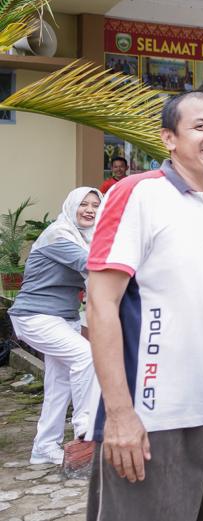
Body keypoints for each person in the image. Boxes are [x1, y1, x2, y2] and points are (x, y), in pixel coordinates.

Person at [84, 91, 203, 521]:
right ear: (169, 138)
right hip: (154, 417)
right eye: (201, 127)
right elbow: (101, 304)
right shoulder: (137, 194)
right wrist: (121, 416)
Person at [8, 187, 101, 465]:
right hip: (36, 317)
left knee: (59, 385)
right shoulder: (59, 235)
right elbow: (91, 264)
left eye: (96, 205)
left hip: (63, 319)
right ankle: (85, 427)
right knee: (85, 357)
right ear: (71, 206)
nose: (89, 210)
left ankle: (44, 447)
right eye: (83, 204)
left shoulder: (85, 238)